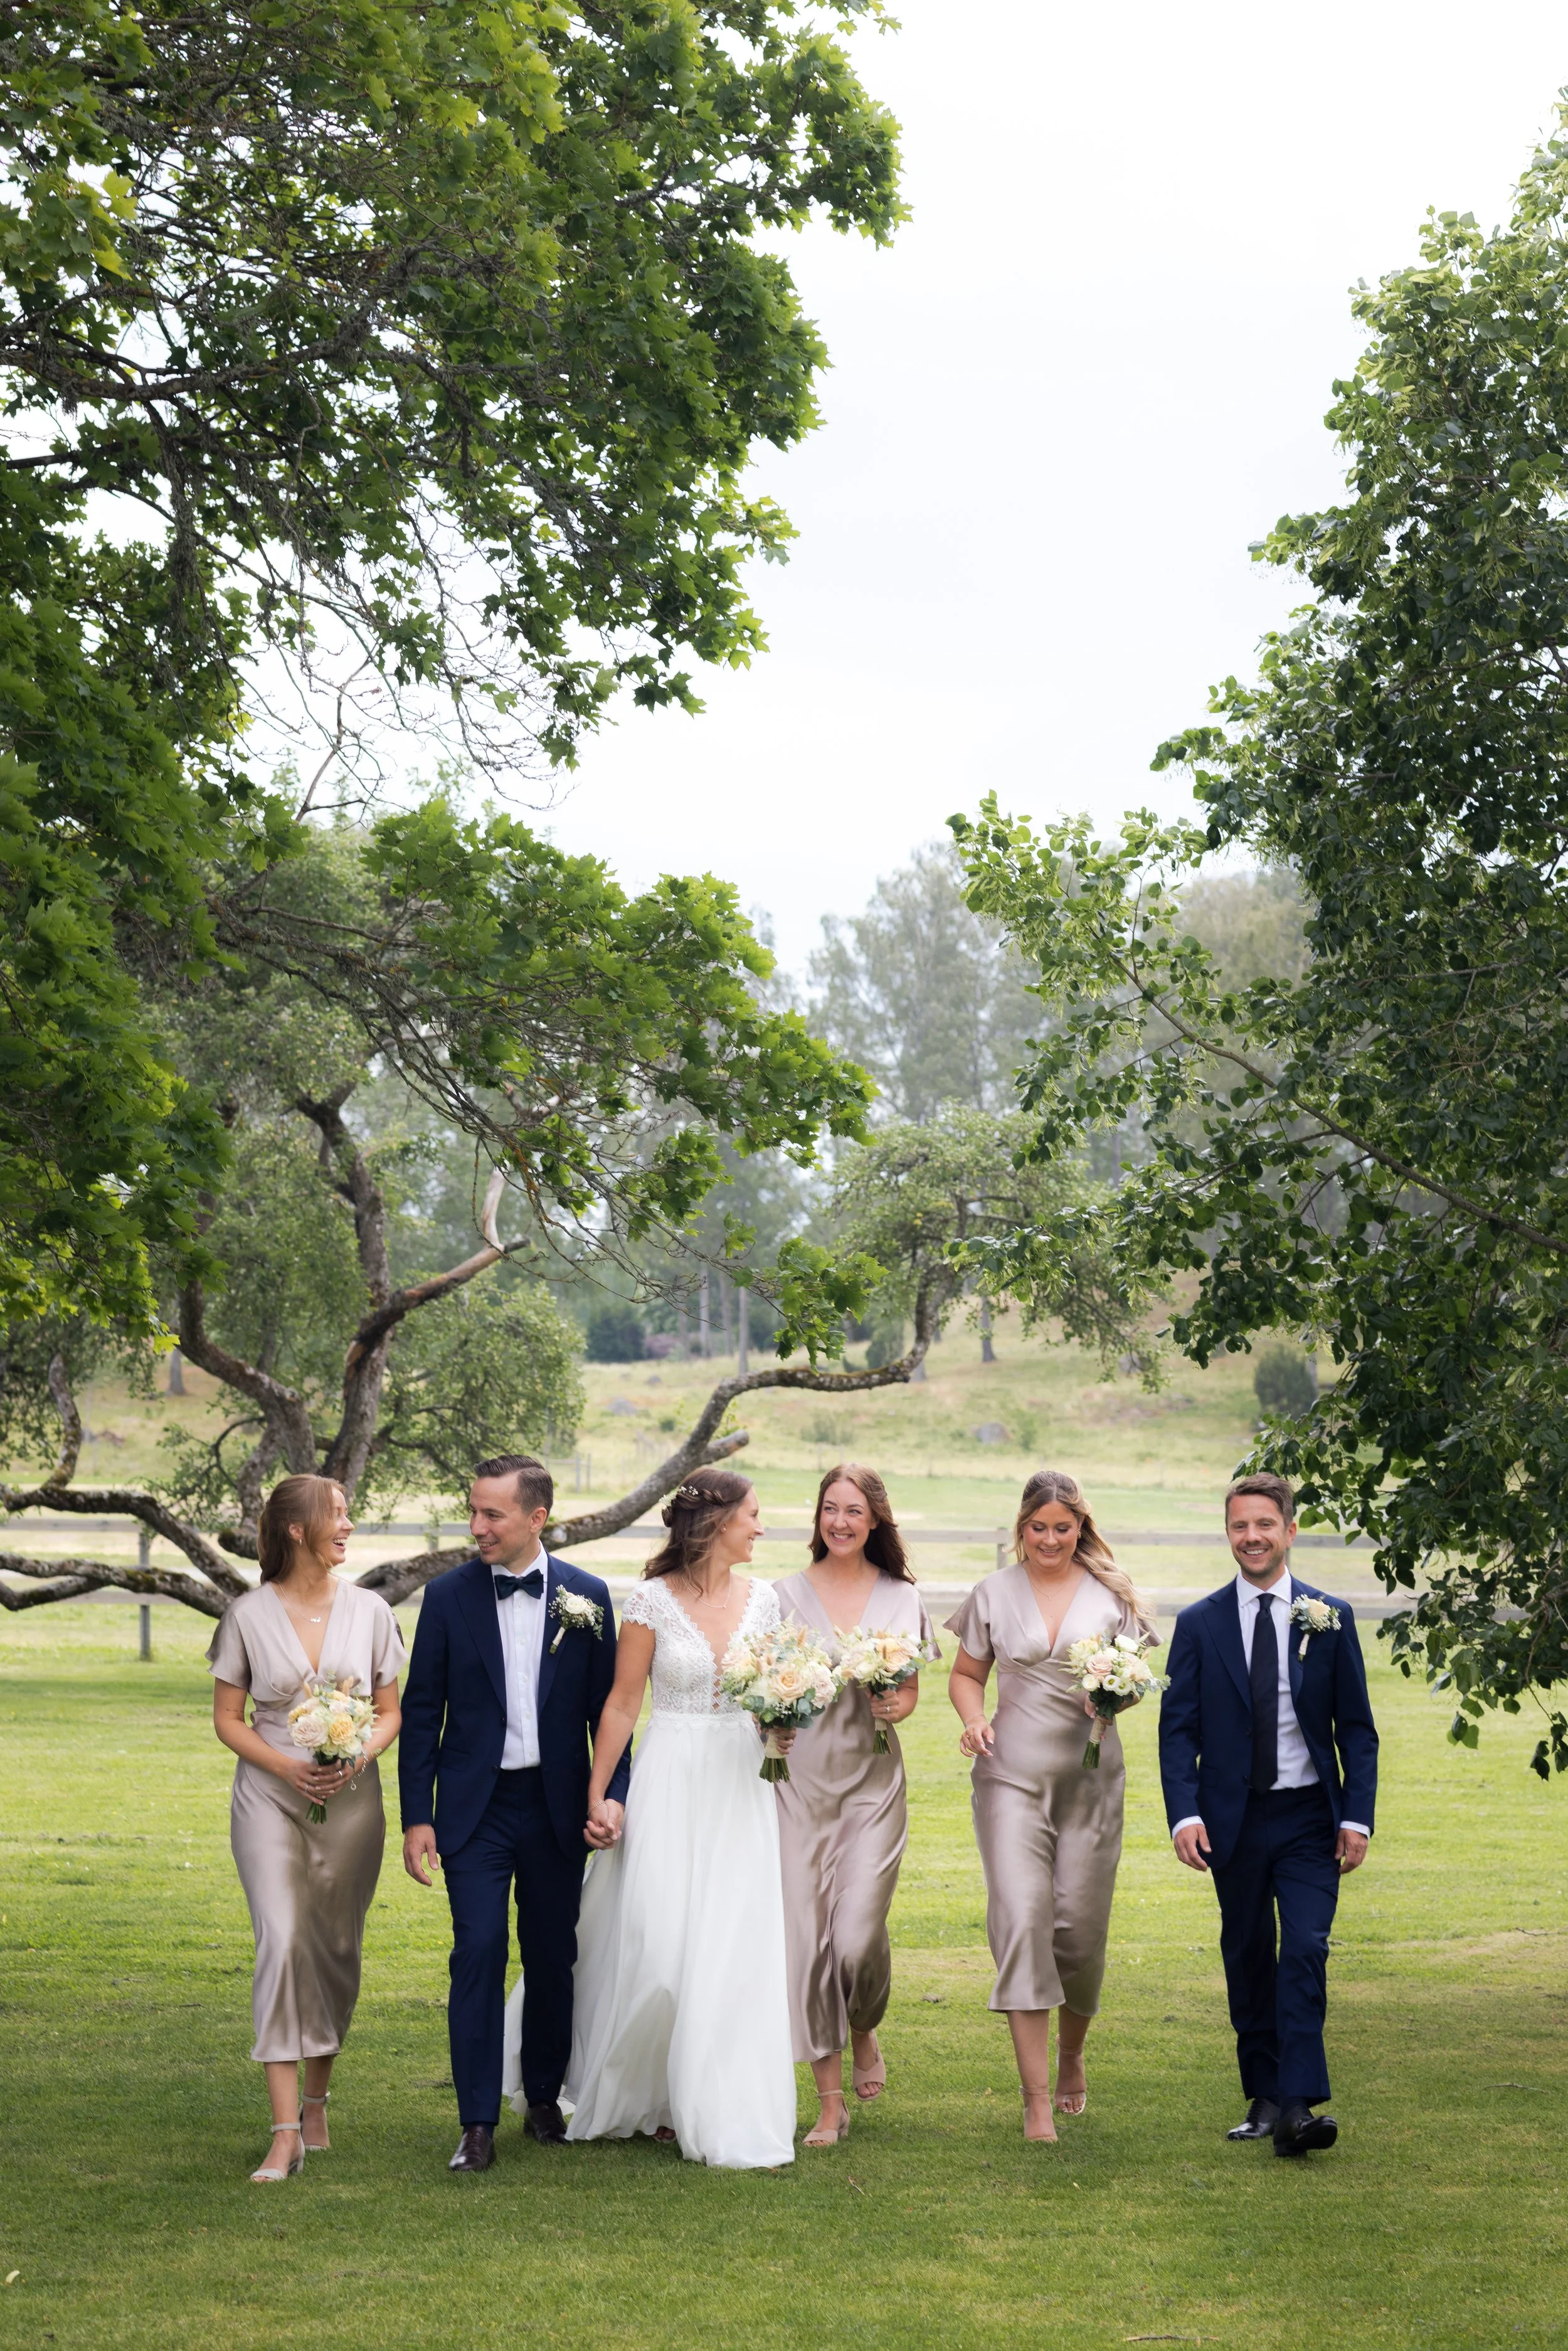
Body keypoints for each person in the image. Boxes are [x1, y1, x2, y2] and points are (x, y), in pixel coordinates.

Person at [559, 1468, 797, 2168]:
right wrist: (599, 1793)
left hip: (739, 1782)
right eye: (752, 1513)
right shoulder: (651, 1601)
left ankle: (710, 2100)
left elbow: (769, 1699)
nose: (760, 1526)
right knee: (660, 1942)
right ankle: (645, 2089)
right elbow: (623, 1705)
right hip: (669, 1773)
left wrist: (782, 1728)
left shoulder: (768, 1601)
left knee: (728, 1942)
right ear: (716, 1521)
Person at [398, 1453, 627, 2172]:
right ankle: (475, 2124)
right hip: (475, 1810)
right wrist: (416, 1816)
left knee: (553, 1956)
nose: (477, 1527)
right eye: (472, 1511)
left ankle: (543, 2099)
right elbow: (421, 1714)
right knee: (478, 1950)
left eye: (492, 1514)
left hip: (558, 1809)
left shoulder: (587, 1596)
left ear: (537, 1517)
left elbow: (610, 1715)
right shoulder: (446, 1598)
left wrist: (610, 1796)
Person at [1159, 1471, 1378, 2158]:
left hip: (1312, 1818)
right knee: (1248, 1949)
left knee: (1305, 1947)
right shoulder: (1199, 1624)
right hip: (1233, 1821)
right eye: (1237, 1526)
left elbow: (1357, 1730)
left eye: (1263, 1524)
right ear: (1228, 1533)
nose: (1250, 1537)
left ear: (1288, 1528)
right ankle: (1263, 2096)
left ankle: (1298, 2101)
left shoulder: (1329, 1616)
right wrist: (1184, 1814)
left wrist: (1357, 1818)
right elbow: (1178, 1732)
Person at [946, 1469, 1156, 2142]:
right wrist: (974, 1718)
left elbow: (1136, 1680)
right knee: (1022, 1918)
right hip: (1008, 1777)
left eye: (1062, 1527)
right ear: (1021, 1528)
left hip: (1091, 1782)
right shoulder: (992, 1593)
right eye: (1037, 1527)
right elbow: (965, 1674)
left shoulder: (1109, 1595)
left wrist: (1121, 1694)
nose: (1049, 1539)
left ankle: (1072, 2057)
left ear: (1080, 1527)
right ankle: (1035, 2097)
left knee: (1079, 1933)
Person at [208, 1474, 405, 2184]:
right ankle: (284, 2132)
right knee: (284, 1940)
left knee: (334, 1949)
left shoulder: (372, 1611)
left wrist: (361, 1751)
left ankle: (317, 2103)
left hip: (352, 1805)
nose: (349, 1525)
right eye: (339, 1515)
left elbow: (390, 1712)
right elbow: (228, 1718)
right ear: (298, 1530)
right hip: (270, 1797)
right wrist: (287, 1769)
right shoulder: (246, 1616)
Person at [774, 1463, 938, 2146]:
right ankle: (829, 2102)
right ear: (818, 1517)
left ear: (875, 1521)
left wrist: (898, 1701)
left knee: (856, 1937)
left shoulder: (902, 1595)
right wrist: (769, 1717)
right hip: (800, 1780)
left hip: (872, 1782)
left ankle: (864, 2023)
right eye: (829, 1509)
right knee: (807, 1942)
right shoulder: (780, 1595)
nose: (840, 1522)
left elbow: (910, 1691)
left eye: (853, 1511)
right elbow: (760, 1681)